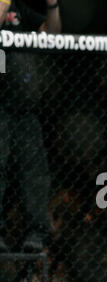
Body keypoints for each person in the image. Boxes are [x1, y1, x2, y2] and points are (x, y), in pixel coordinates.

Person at [0, 0, 61, 253]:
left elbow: (55, 37)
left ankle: (36, 233)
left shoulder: (22, 10)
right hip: (0, 106)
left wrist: (53, 5)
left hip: (25, 108)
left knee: (34, 172)